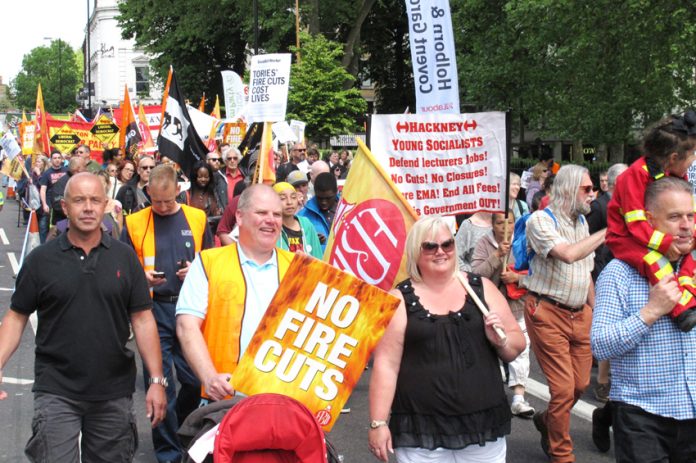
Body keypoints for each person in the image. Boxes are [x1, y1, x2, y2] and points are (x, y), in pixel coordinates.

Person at [0, 172, 166, 462]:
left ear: (105, 205)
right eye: (79, 200)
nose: (88, 207)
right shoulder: (41, 260)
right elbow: (16, 317)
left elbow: (143, 319)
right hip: (56, 390)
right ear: (65, 207)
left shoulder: (125, 258)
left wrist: (156, 381)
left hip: (113, 392)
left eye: (94, 200)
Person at [368, 215, 525, 463]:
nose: (440, 251)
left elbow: (517, 345)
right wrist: (378, 422)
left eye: (447, 244)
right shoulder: (399, 300)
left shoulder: (481, 288)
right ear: (415, 252)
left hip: (481, 423)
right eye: (430, 246)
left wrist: (500, 341)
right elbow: (386, 365)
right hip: (420, 430)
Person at [592, 177, 696, 462]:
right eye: (675, 217)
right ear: (649, 220)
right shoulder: (620, 273)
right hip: (643, 418)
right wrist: (650, 311)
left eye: (691, 215)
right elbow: (600, 346)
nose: (686, 225)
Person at [122, 164, 212, 463]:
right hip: (152, 310)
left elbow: (212, 259)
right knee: (160, 383)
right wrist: (141, 277)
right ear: (148, 192)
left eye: (168, 201)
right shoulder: (135, 222)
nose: (161, 207)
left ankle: (182, 428)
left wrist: (197, 270)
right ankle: (169, 454)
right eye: (156, 201)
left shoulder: (197, 219)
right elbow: (122, 264)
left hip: (190, 309)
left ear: (178, 191)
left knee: (195, 379)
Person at [176, 184, 296, 401]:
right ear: (239, 217)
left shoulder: (299, 269)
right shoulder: (208, 262)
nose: (271, 220)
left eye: (276, 214)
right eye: (261, 212)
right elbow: (187, 326)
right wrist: (209, 377)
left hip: (284, 402)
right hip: (225, 400)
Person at [519, 164, 606, 462]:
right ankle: (562, 454)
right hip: (547, 312)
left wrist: (596, 310)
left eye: (593, 188)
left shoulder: (582, 222)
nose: (593, 194)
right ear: (568, 189)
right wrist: (610, 230)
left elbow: (586, 270)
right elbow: (569, 255)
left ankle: (547, 421)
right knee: (563, 389)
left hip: (580, 313)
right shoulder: (540, 220)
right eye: (587, 188)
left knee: (580, 385)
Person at [606, 111, 696, 332]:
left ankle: (688, 300)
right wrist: (667, 244)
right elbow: (636, 225)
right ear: (674, 157)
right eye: (693, 154)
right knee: (656, 262)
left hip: (655, 236)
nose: (694, 160)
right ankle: (680, 312)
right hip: (626, 239)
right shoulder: (632, 176)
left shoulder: (676, 175)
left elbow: (687, 210)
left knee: (690, 259)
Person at [472, 212, 535, 418]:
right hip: (491, 307)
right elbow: (476, 275)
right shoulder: (484, 243)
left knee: (521, 348)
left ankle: (518, 397)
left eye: (509, 222)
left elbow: (538, 274)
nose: (504, 227)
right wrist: (497, 256)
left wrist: (517, 278)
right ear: (492, 225)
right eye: (500, 223)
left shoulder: (525, 243)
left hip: (517, 305)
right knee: (490, 348)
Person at [586, 163, 627, 406]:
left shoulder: (633, 204)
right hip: (604, 270)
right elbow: (587, 242)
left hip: (627, 268)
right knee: (610, 328)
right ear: (613, 182)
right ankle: (602, 380)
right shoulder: (599, 206)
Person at [273, 182, 323, 259]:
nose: (289, 202)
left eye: (293, 197)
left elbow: (318, 257)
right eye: (282, 198)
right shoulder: (271, 227)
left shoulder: (306, 224)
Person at [297, 172, 338, 251]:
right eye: (320, 198)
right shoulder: (302, 216)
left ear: (336, 192)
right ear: (314, 192)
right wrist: (311, 241)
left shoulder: (348, 211)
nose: (324, 202)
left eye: (328, 198)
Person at [38, 151, 68, 242]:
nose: (57, 160)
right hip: (50, 204)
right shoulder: (47, 173)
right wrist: (44, 204)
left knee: (62, 227)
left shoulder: (66, 171)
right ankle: (44, 246)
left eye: (59, 158)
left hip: (64, 204)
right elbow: (43, 190)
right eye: (55, 158)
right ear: (51, 160)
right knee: (46, 227)